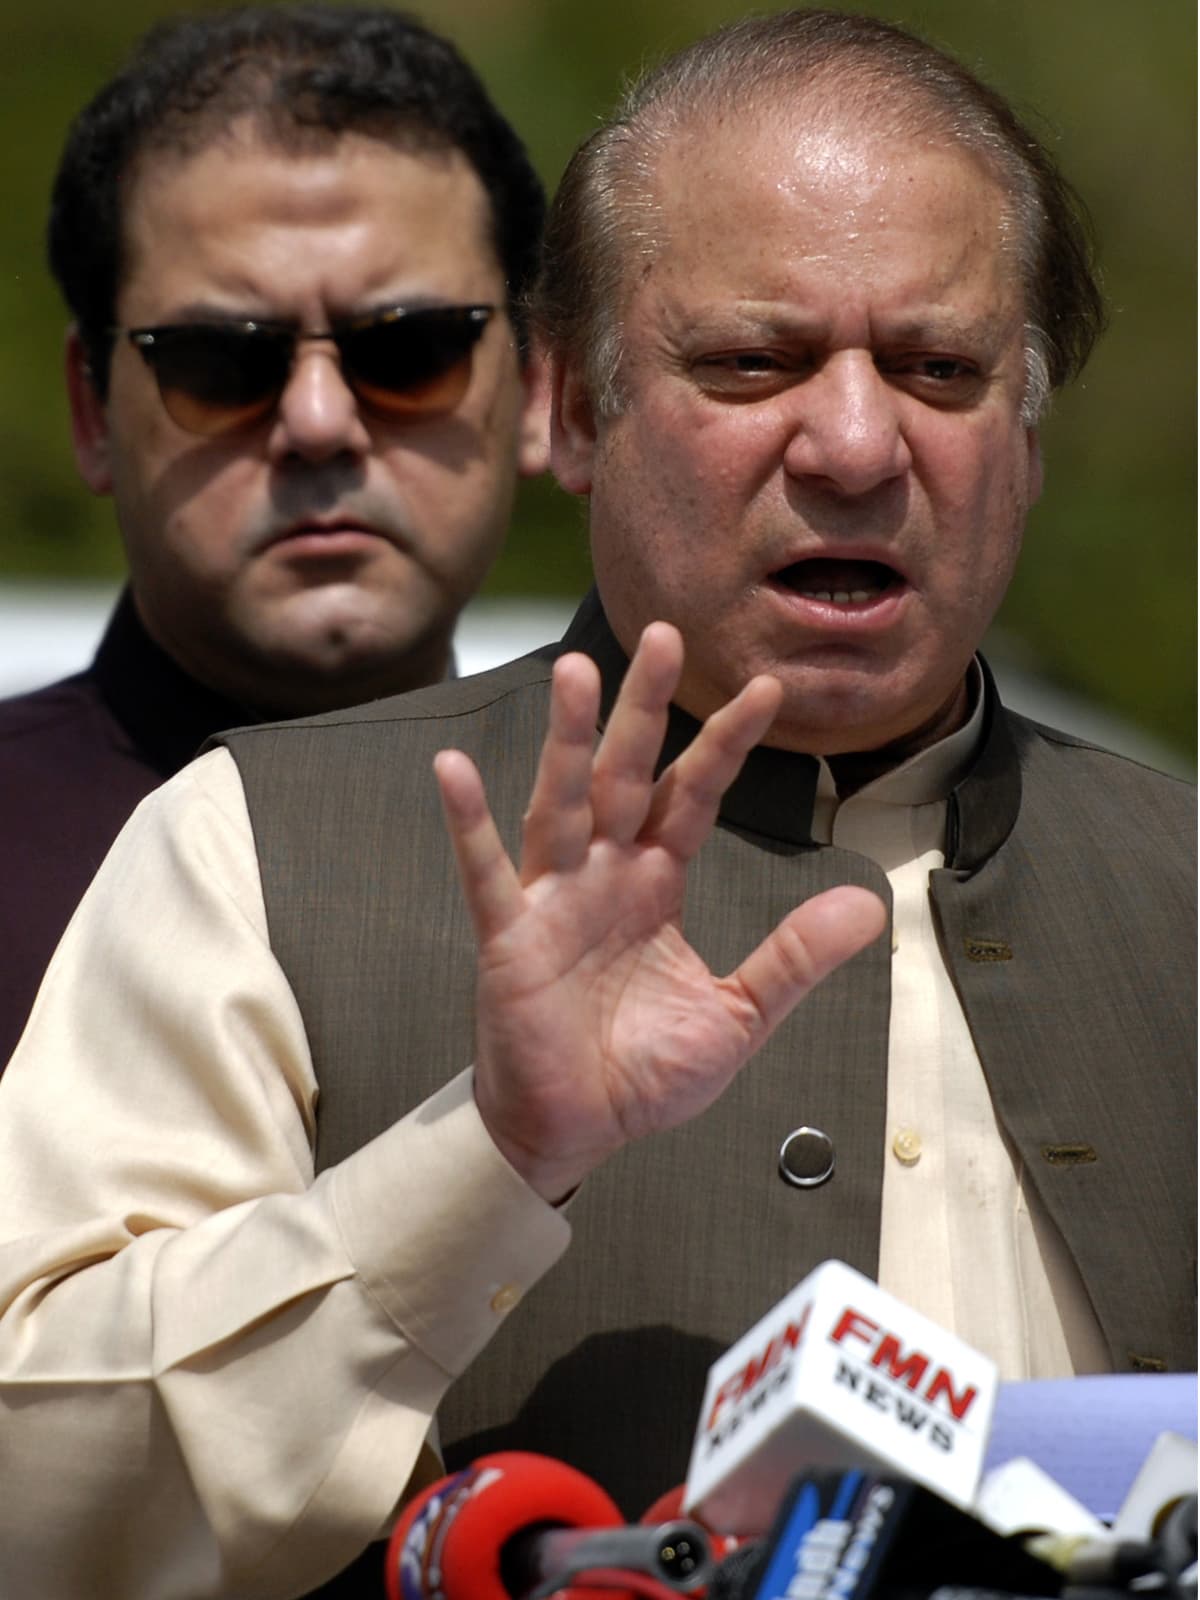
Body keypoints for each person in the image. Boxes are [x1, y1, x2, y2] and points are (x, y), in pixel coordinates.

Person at [0, 10, 1193, 1599]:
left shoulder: (1177, 886)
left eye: (939, 368)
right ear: (574, 409)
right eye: (752, 362)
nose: (853, 443)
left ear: (1027, 436)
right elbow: (36, 1500)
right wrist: (486, 1153)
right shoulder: (252, 845)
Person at [0, 3, 549, 1069]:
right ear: (88, 411)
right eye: (220, 361)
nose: (317, 421)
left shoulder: (683, 865)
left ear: (537, 387)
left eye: (412, 348)